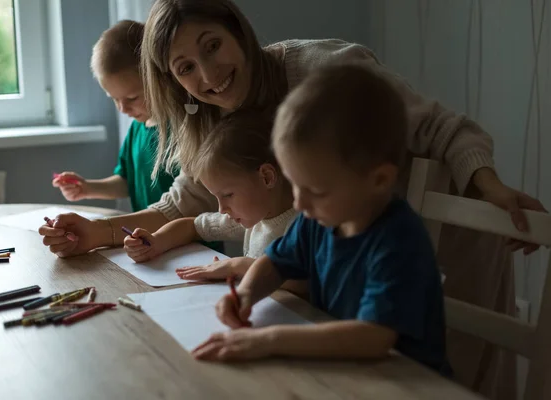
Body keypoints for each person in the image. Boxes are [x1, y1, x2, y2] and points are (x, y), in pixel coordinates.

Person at [39, 1, 546, 396]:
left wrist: (488, 184)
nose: (208, 76)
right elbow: (183, 206)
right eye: (185, 68)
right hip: (341, 278)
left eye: (213, 46)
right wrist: (99, 232)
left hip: (442, 249)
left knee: (468, 379)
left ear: (237, 30)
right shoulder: (213, 123)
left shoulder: (323, 70)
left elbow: (439, 128)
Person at [192, 64, 450, 376]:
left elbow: (372, 338)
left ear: (379, 180)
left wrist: (269, 339)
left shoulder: (400, 241)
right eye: (294, 183)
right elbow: (274, 264)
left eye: (315, 189)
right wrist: (246, 294)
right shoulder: (317, 219)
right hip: (344, 370)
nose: (299, 202)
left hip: (408, 382)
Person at [124, 111, 303, 292]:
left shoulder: (301, 225)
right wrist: (156, 242)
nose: (222, 208)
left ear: (266, 177)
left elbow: (302, 283)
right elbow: (192, 227)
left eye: (228, 195)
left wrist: (237, 266)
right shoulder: (255, 218)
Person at [52, 20, 175, 213]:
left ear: (161, 80)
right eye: (114, 99)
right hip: (151, 240)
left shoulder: (183, 129)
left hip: (193, 242)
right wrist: (86, 188)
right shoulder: (137, 129)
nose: (122, 108)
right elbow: (126, 182)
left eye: (132, 98)